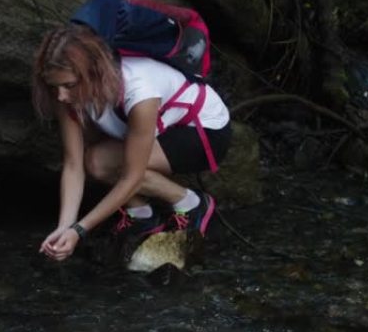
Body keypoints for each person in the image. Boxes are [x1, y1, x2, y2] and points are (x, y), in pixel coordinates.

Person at [32, 24, 231, 262]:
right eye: (54, 86)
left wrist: (80, 230)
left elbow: (131, 176)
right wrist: (64, 226)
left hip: (203, 130)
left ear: (92, 73)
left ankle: (191, 203)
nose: (61, 96)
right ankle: (142, 215)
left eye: (68, 86)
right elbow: (74, 165)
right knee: (93, 161)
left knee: (106, 164)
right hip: (159, 129)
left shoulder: (139, 90)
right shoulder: (65, 93)